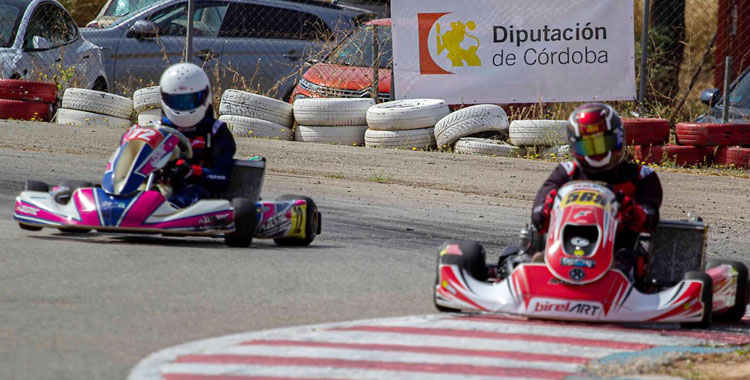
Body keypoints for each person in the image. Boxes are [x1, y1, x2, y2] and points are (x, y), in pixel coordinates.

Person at [527, 103, 663, 281]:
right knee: (526, 258)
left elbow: (650, 220)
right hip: (562, 250)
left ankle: (616, 290)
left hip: (618, 251)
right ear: (575, 147)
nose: (596, 154)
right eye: (588, 147)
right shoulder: (566, 172)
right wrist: (548, 208)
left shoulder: (642, 176)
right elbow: (537, 217)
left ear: (618, 139)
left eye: (602, 145)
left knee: (630, 260)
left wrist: (627, 208)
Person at [156, 62, 236, 208]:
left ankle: (171, 208)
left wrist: (192, 171)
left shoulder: (216, 131)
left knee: (193, 194)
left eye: (190, 100)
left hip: (196, 190)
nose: (183, 106)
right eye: (177, 101)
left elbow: (222, 178)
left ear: (204, 96)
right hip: (157, 188)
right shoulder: (157, 129)